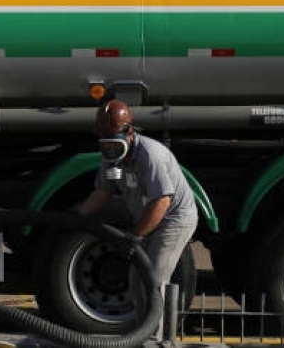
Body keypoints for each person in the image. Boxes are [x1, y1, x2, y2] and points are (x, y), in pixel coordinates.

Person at [77, 99, 198, 340]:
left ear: (130, 132)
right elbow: (104, 191)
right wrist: (75, 217)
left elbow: (162, 201)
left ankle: (157, 341)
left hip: (174, 219)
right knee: (136, 280)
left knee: (153, 278)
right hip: (148, 218)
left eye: (114, 140)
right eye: (105, 141)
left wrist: (135, 235)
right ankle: (143, 336)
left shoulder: (150, 155)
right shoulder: (112, 156)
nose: (110, 148)